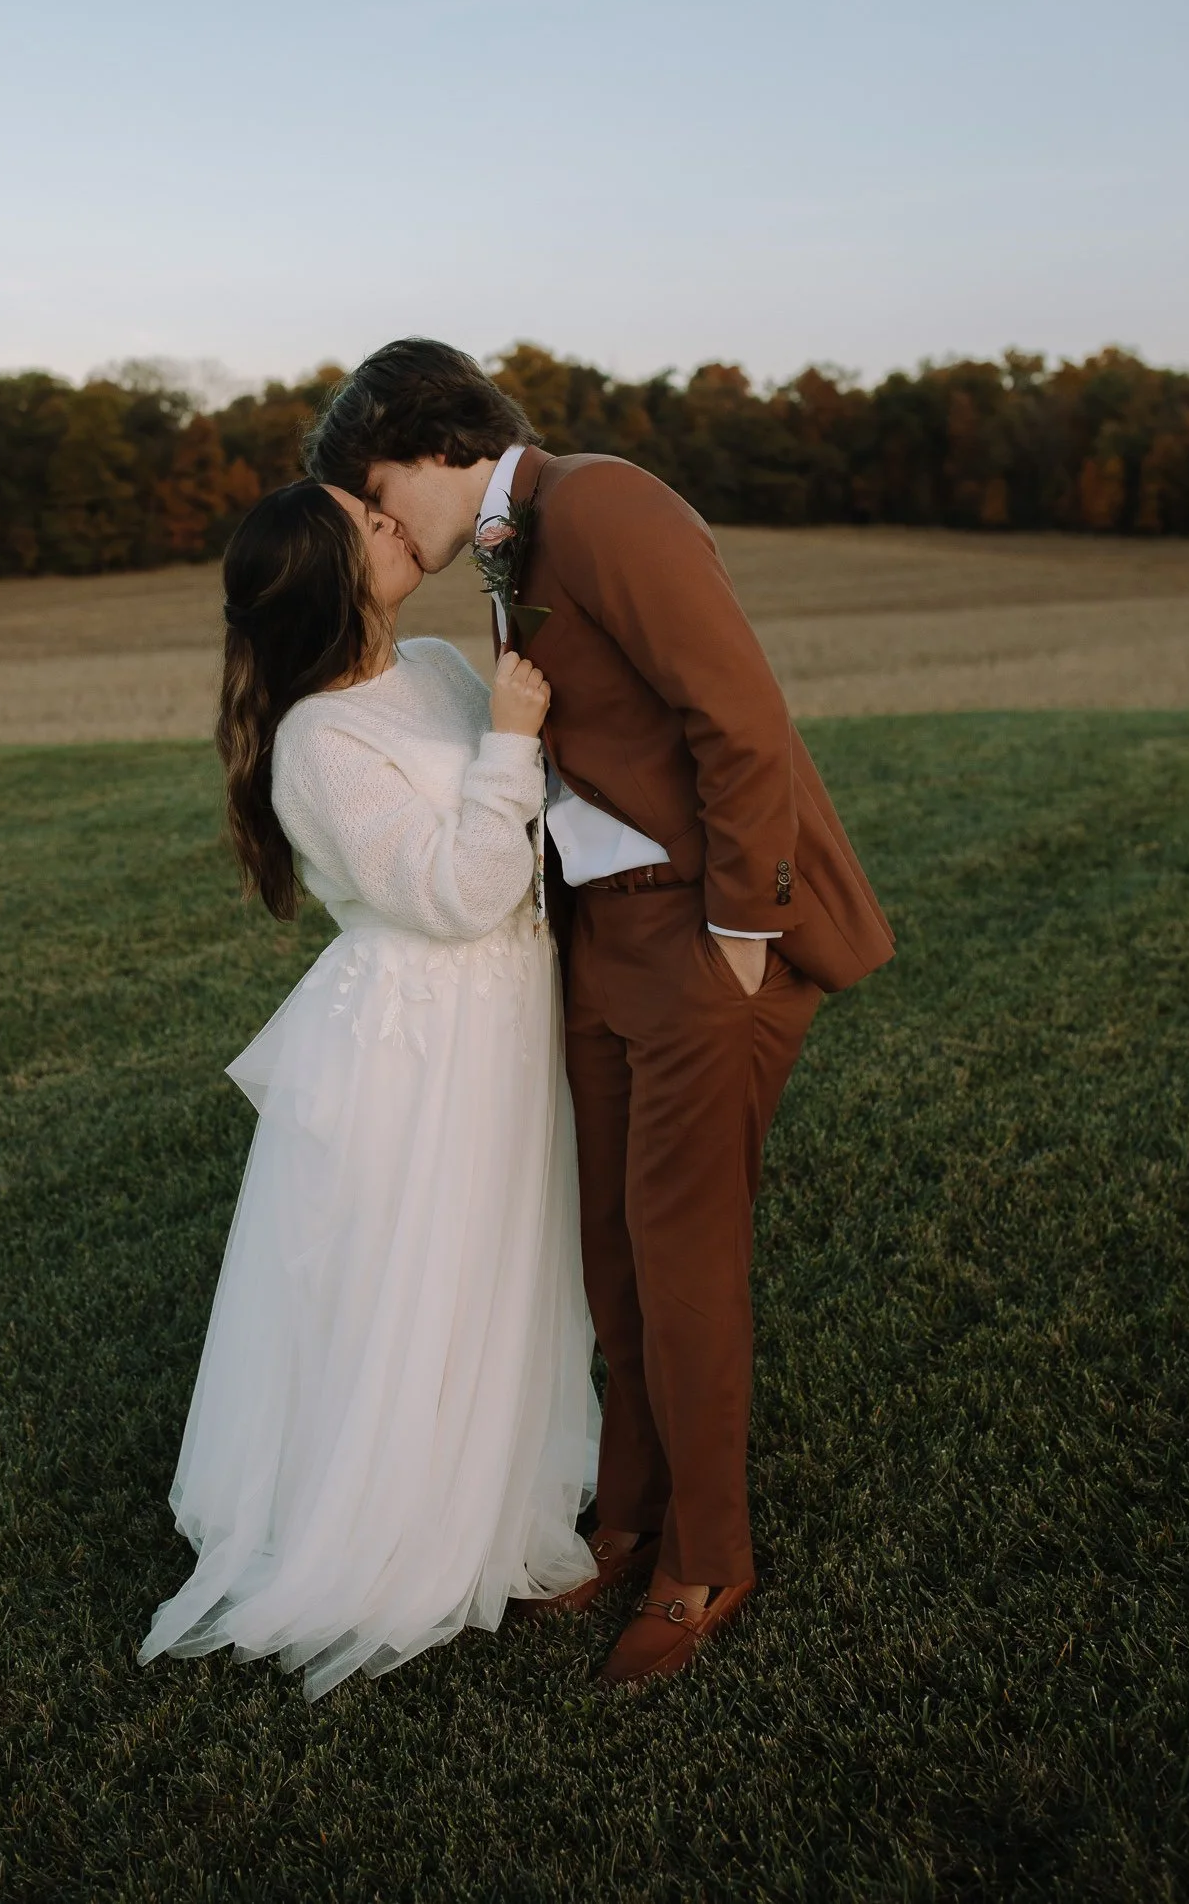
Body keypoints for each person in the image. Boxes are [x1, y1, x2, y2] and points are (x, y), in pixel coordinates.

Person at [306, 338, 895, 1689]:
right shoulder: (513, 547)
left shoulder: (605, 501)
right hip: (603, 943)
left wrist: (741, 932)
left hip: (701, 933)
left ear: (434, 435)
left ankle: (712, 1551)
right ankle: (626, 1517)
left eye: (378, 488)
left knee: (686, 1260)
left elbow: (738, 714)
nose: (384, 523)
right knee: (611, 1251)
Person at [138, 478, 598, 1700]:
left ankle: (500, 1478)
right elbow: (458, 892)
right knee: (418, 1271)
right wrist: (509, 739)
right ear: (336, 579)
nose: (400, 525)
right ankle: (403, 1520)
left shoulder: (443, 662)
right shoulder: (318, 744)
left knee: (501, 1253)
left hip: (499, 1016)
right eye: (371, 525)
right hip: (421, 1040)